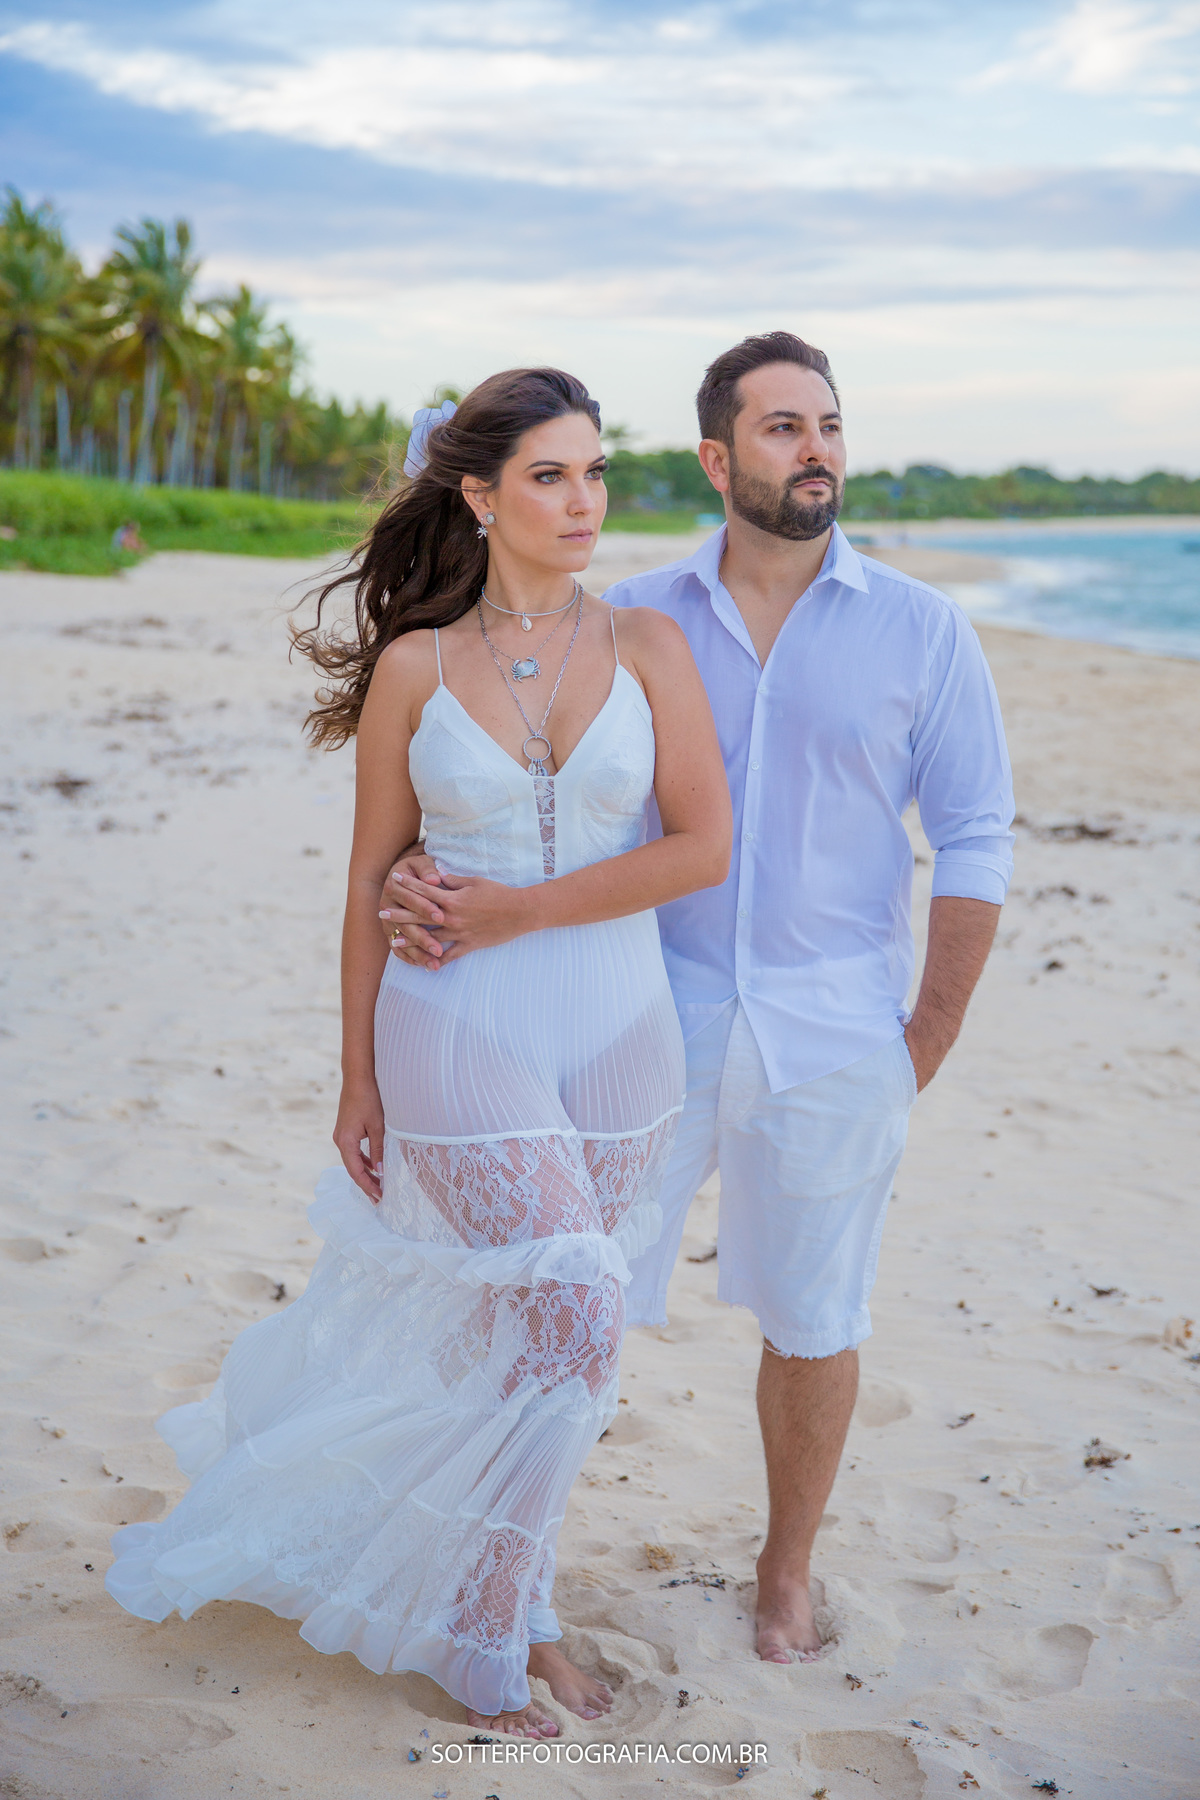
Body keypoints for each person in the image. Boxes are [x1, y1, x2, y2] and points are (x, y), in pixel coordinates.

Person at [104, 370, 731, 1738]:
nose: (584, 501)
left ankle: (523, 1594)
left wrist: (521, 910)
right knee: (572, 1303)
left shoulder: (650, 646)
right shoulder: (414, 668)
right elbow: (366, 879)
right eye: (552, 475)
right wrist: (357, 1076)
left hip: (625, 1030)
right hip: (452, 1022)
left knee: (552, 1342)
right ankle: (491, 1633)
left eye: (596, 471)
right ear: (481, 496)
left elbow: (703, 848)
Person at [380, 331, 1015, 1668]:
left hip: (837, 1036)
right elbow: (525, 781)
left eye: (828, 424)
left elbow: (975, 839)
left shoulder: (924, 629)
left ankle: (785, 1574)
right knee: (564, 1306)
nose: (817, 449)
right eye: (784, 428)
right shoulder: (632, 619)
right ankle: (517, 1587)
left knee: (817, 1318)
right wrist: (414, 877)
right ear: (719, 460)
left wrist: (926, 1037)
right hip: (636, 1023)